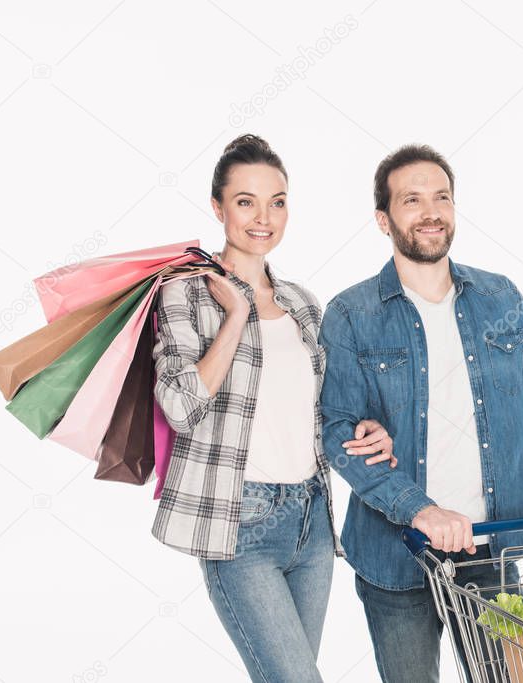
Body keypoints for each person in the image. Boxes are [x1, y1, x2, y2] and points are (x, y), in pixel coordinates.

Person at [320, 144, 523, 682]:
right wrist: (420, 509)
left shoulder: (501, 298)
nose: (431, 211)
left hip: (493, 553)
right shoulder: (349, 314)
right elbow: (338, 430)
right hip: (395, 557)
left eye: (442, 197)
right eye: (412, 200)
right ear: (384, 220)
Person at [152, 134, 395, 682]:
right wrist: (236, 316)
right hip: (239, 523)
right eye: (246, 201)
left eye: (277, 201)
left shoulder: (303, 302)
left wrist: (369, 426)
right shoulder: (184, 294)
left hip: (312, 521)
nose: (264, 217)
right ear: (218, 207)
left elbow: (331, 409)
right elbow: (180, 407)